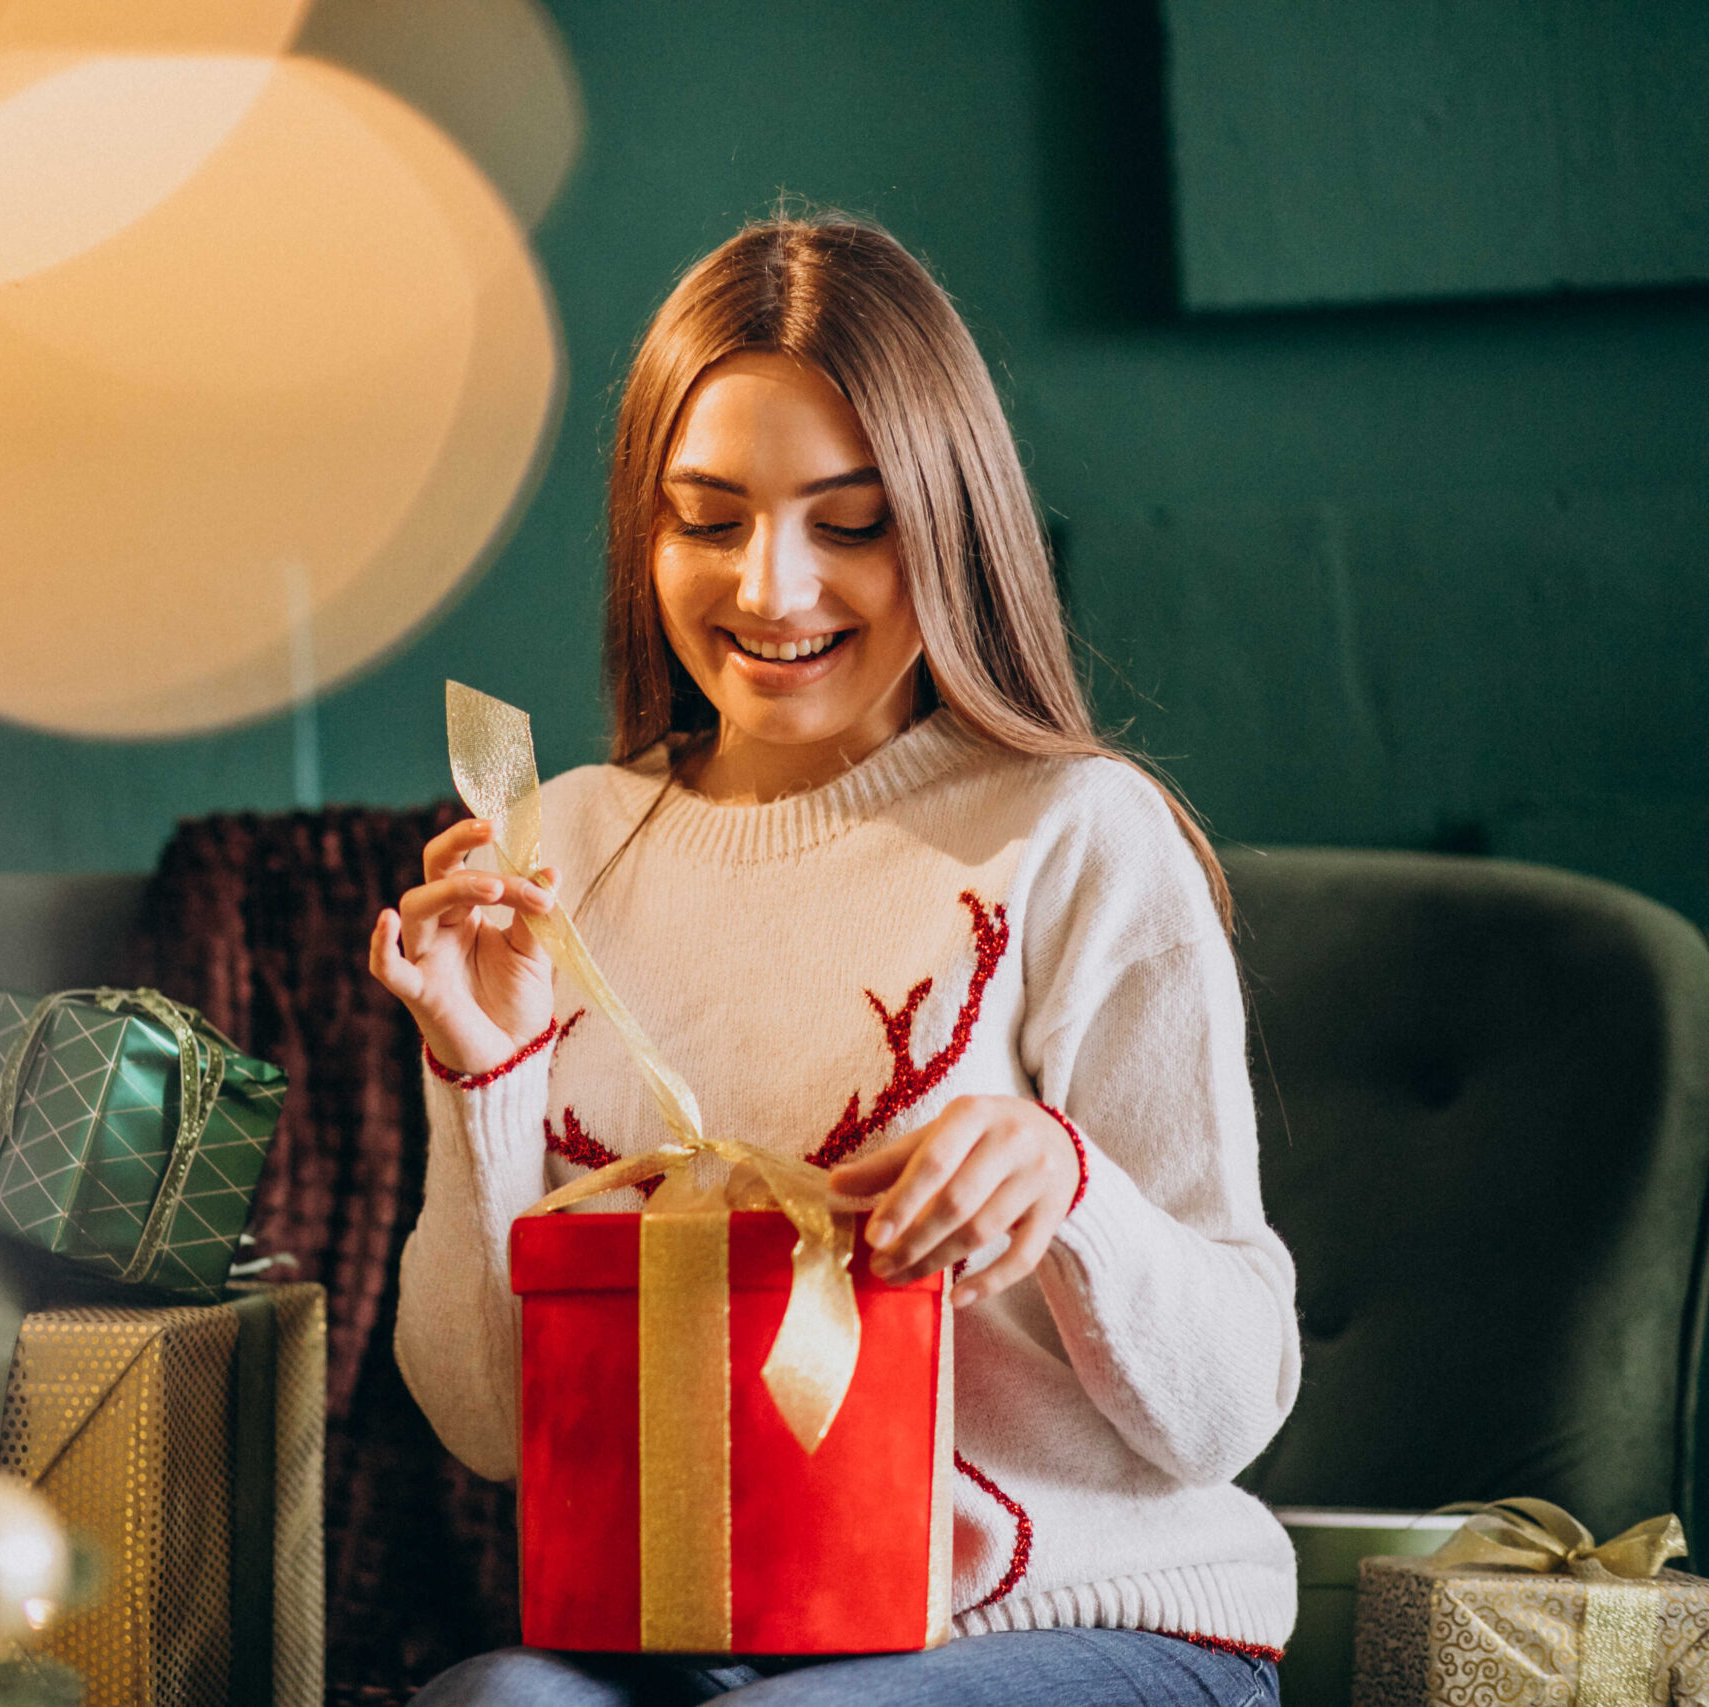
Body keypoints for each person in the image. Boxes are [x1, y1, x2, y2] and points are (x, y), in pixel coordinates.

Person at [366, 215, 1299, 1707]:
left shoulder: (1075, 835)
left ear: (950, 521)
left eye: (849, 524)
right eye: (709, 518)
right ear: (643, 532)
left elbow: (1229, 1404)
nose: (771, 590)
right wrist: (488, 1080)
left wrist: (1067, 1193)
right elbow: (487, 1430)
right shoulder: (561, 846)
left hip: (1075, 1624)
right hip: (691, 1627)